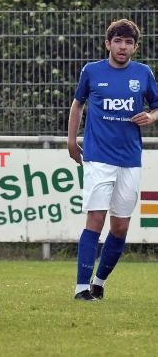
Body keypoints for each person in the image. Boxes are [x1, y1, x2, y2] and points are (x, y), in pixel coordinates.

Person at [68, 19, 158, 301]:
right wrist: (71, 140)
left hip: (130, 159)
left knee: (120, 227)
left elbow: (157, 107)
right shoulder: (92, 71)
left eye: (128, 42)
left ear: (135, 47)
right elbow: (78, 104)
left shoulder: (143, 73)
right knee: (95, 217)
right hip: (98, 157)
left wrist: (151, 117)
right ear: (108, 44)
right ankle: (81, 288)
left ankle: (99, 281)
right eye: (117, 41)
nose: (122, 47)